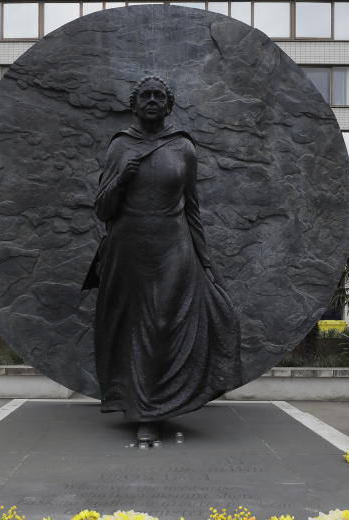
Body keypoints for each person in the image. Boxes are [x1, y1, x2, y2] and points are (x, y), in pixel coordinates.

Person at [85, 76, 242, 434]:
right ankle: (144, 412)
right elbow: (102, 210)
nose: (152, 100)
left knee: (163, 327)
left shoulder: (183, 148)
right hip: (129, 251)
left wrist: (206, 263)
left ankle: (160, 404)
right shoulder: (120, 147)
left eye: (159, 96)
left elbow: (192, 210)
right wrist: (121, 179)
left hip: (173, 249)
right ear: (135, 104)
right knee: (134, 330)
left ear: (169, 105)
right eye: (146, 95)